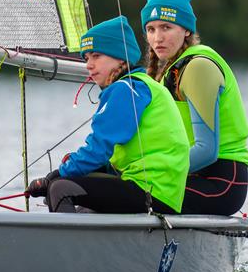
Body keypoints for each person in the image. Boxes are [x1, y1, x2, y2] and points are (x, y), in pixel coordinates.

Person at [25, 15, 189, 214]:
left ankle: (67, 245)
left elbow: (99, 146)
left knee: (60, 188)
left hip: (152, 191)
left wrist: (56, 175)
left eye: (96, 56)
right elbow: (110, 156)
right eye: (86, 58)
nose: (88, 65)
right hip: (158, 191)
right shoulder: (140, 85)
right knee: (81, 192)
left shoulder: (126, 88)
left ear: (120, 57)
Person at [141, 0, 248, 216]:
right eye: (151, 30)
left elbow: (206, 150)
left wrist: (150, 174)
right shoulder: (167, 72)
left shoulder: (198, 66)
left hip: (221, 183)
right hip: (191, 175)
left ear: (187, 30)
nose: (157, 38)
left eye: (166, 27)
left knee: (127, 192)